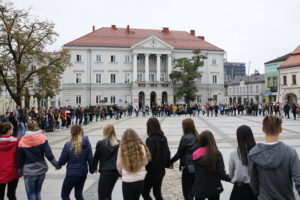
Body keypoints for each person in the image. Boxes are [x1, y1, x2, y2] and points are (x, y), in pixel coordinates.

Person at [248, 115, 300, 199]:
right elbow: (298, 181)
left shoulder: (253, 153)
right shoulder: (290, 153)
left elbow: (253, 182)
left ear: (263, 129)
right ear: (281, 130)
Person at [17, 120, 58, 200]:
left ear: (27, 127)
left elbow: (20, 159)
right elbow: (49, 154)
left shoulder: (22, 141)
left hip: (29, 171)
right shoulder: (42, 138)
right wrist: (56, 164)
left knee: (31, 194)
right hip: (41, 169)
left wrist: (20, 172)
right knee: (37, 193)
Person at [191, 130, 232, 200]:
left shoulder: (195, 154)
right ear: (212, 139)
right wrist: (230, 179)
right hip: (214, 188)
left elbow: (192, 171)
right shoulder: (217, 153)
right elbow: (221, 173)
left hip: (199, 187)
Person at [57, 125, 94, 200]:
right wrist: (92, 169)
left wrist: (59, 165)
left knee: (64, 195)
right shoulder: (87, 144)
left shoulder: (68, 144)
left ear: (71, 132)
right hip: (83, 173)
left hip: (72, 174)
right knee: (78, 194)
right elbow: (90, 158)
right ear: (81, 131)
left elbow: (63, 160)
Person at [168, 118, 201, 200]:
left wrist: (169, 162)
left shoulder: (185, 138)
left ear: (185, 126)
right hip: (198, 166)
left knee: (187, 192)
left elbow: (179, 154)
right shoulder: (198, 136)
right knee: (197, 191)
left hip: (189, 167)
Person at [117, 129, 151, 200]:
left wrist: (122, 173)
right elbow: (145, 162)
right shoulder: (141, 147)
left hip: (127, 181)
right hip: (140, 180)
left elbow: (119, 165)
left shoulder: (122, 148)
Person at [142, 117, 171, 200]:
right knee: (157, 192)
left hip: (153, 170)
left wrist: (145, 166)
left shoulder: (150, 139)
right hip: (161, 169)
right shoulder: (163, 138)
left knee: (144, 192)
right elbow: (167, 153)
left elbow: (149, 156)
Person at [229, 125, 257, 200]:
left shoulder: (234, 154)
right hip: (255, 189)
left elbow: (231, 173)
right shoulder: (257, 151)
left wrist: (233, 178)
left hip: (239, 189)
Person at [93, 124, 120, 200]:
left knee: (102, 196)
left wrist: (93, 168)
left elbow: (96, 157)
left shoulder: (101, 143)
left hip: (106, 172)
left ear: (105, 131)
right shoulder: (118, 143)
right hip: (115, 172)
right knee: (108, 194)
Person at [0, 122, 19, 200]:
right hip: (13, 171)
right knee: (11, 194)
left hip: (1, 173)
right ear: (9, 131)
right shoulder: (16, 141)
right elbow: (19, 157)